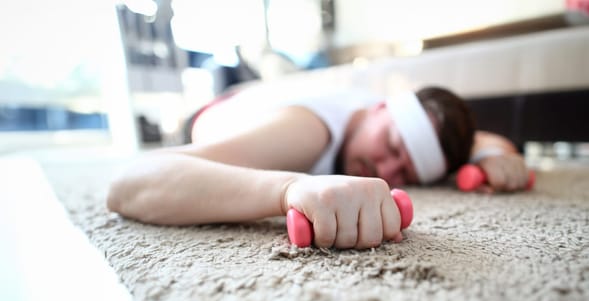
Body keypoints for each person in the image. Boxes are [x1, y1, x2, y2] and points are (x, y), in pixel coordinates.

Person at [107, 85, 530, 249]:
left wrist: (495, 156)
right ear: (377, 106)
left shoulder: (385, 120)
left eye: (405, 173)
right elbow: (129, 184)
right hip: (214, 112)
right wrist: (290, 188)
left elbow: (482, 140)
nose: (382, 167)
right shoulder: (308, 131)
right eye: (389, 144)